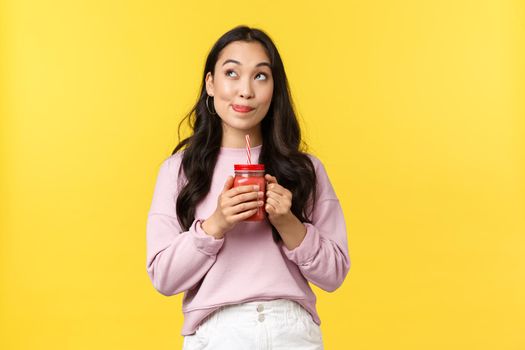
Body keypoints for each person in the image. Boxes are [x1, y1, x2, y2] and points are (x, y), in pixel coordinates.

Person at [146, 25, 351, 349]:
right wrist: (216, 224)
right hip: (215, 333)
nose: (245, 90)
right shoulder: (179, 171)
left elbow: (334, 274)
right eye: (232, 73)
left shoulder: (305, 170)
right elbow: (164, 279)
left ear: (274, 88)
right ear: (210, 83)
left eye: (260, 76)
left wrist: (288, 223)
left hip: (292, 332)